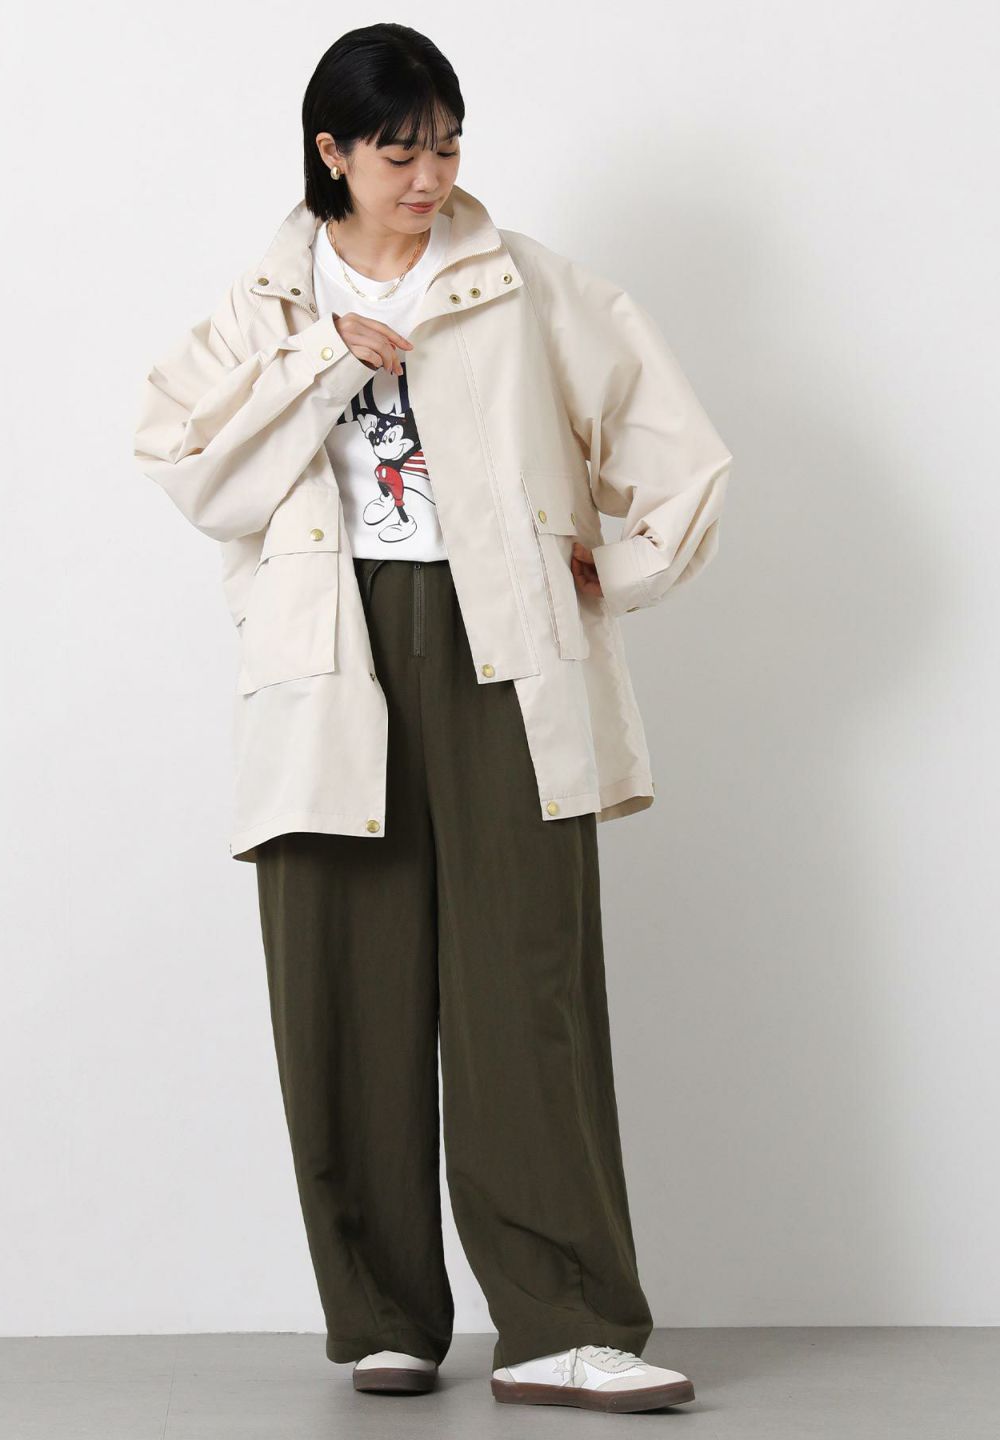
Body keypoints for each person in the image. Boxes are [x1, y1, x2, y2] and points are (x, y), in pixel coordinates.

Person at [132, 22, 731, 1417]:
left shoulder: (525, 285)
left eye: (448, 146)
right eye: (400, 150)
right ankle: (383, 1317)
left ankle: (564, 1323)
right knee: (341, 986)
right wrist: (321, 363)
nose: (430, 175)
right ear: (332, 151)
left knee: (528, 985)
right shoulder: (266, 306)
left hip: (499, 647)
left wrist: (620, 564)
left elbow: (682, 455)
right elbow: (189, 465)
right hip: (329, 654)